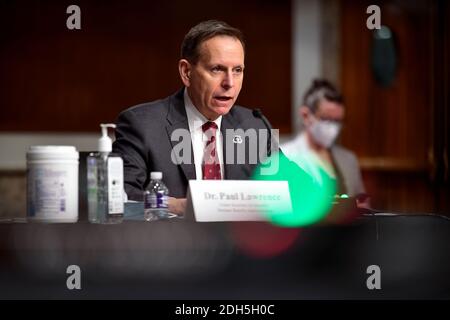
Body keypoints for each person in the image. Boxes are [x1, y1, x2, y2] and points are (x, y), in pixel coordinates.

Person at [112, 20, 273, 215]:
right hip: (172, 241)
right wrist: (177, 206)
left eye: (237, 70)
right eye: (217, 69)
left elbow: (293, 186)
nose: (229, 83)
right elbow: (120, 196)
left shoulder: (254, 125)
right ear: (186, 72)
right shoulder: (142, 124)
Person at [281, 79, 370, 208]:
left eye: (337, 121)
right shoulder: (283, 157)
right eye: (326, 119)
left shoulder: (348, 160)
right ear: (306, 115)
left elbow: (364, 207)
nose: (333, 128)